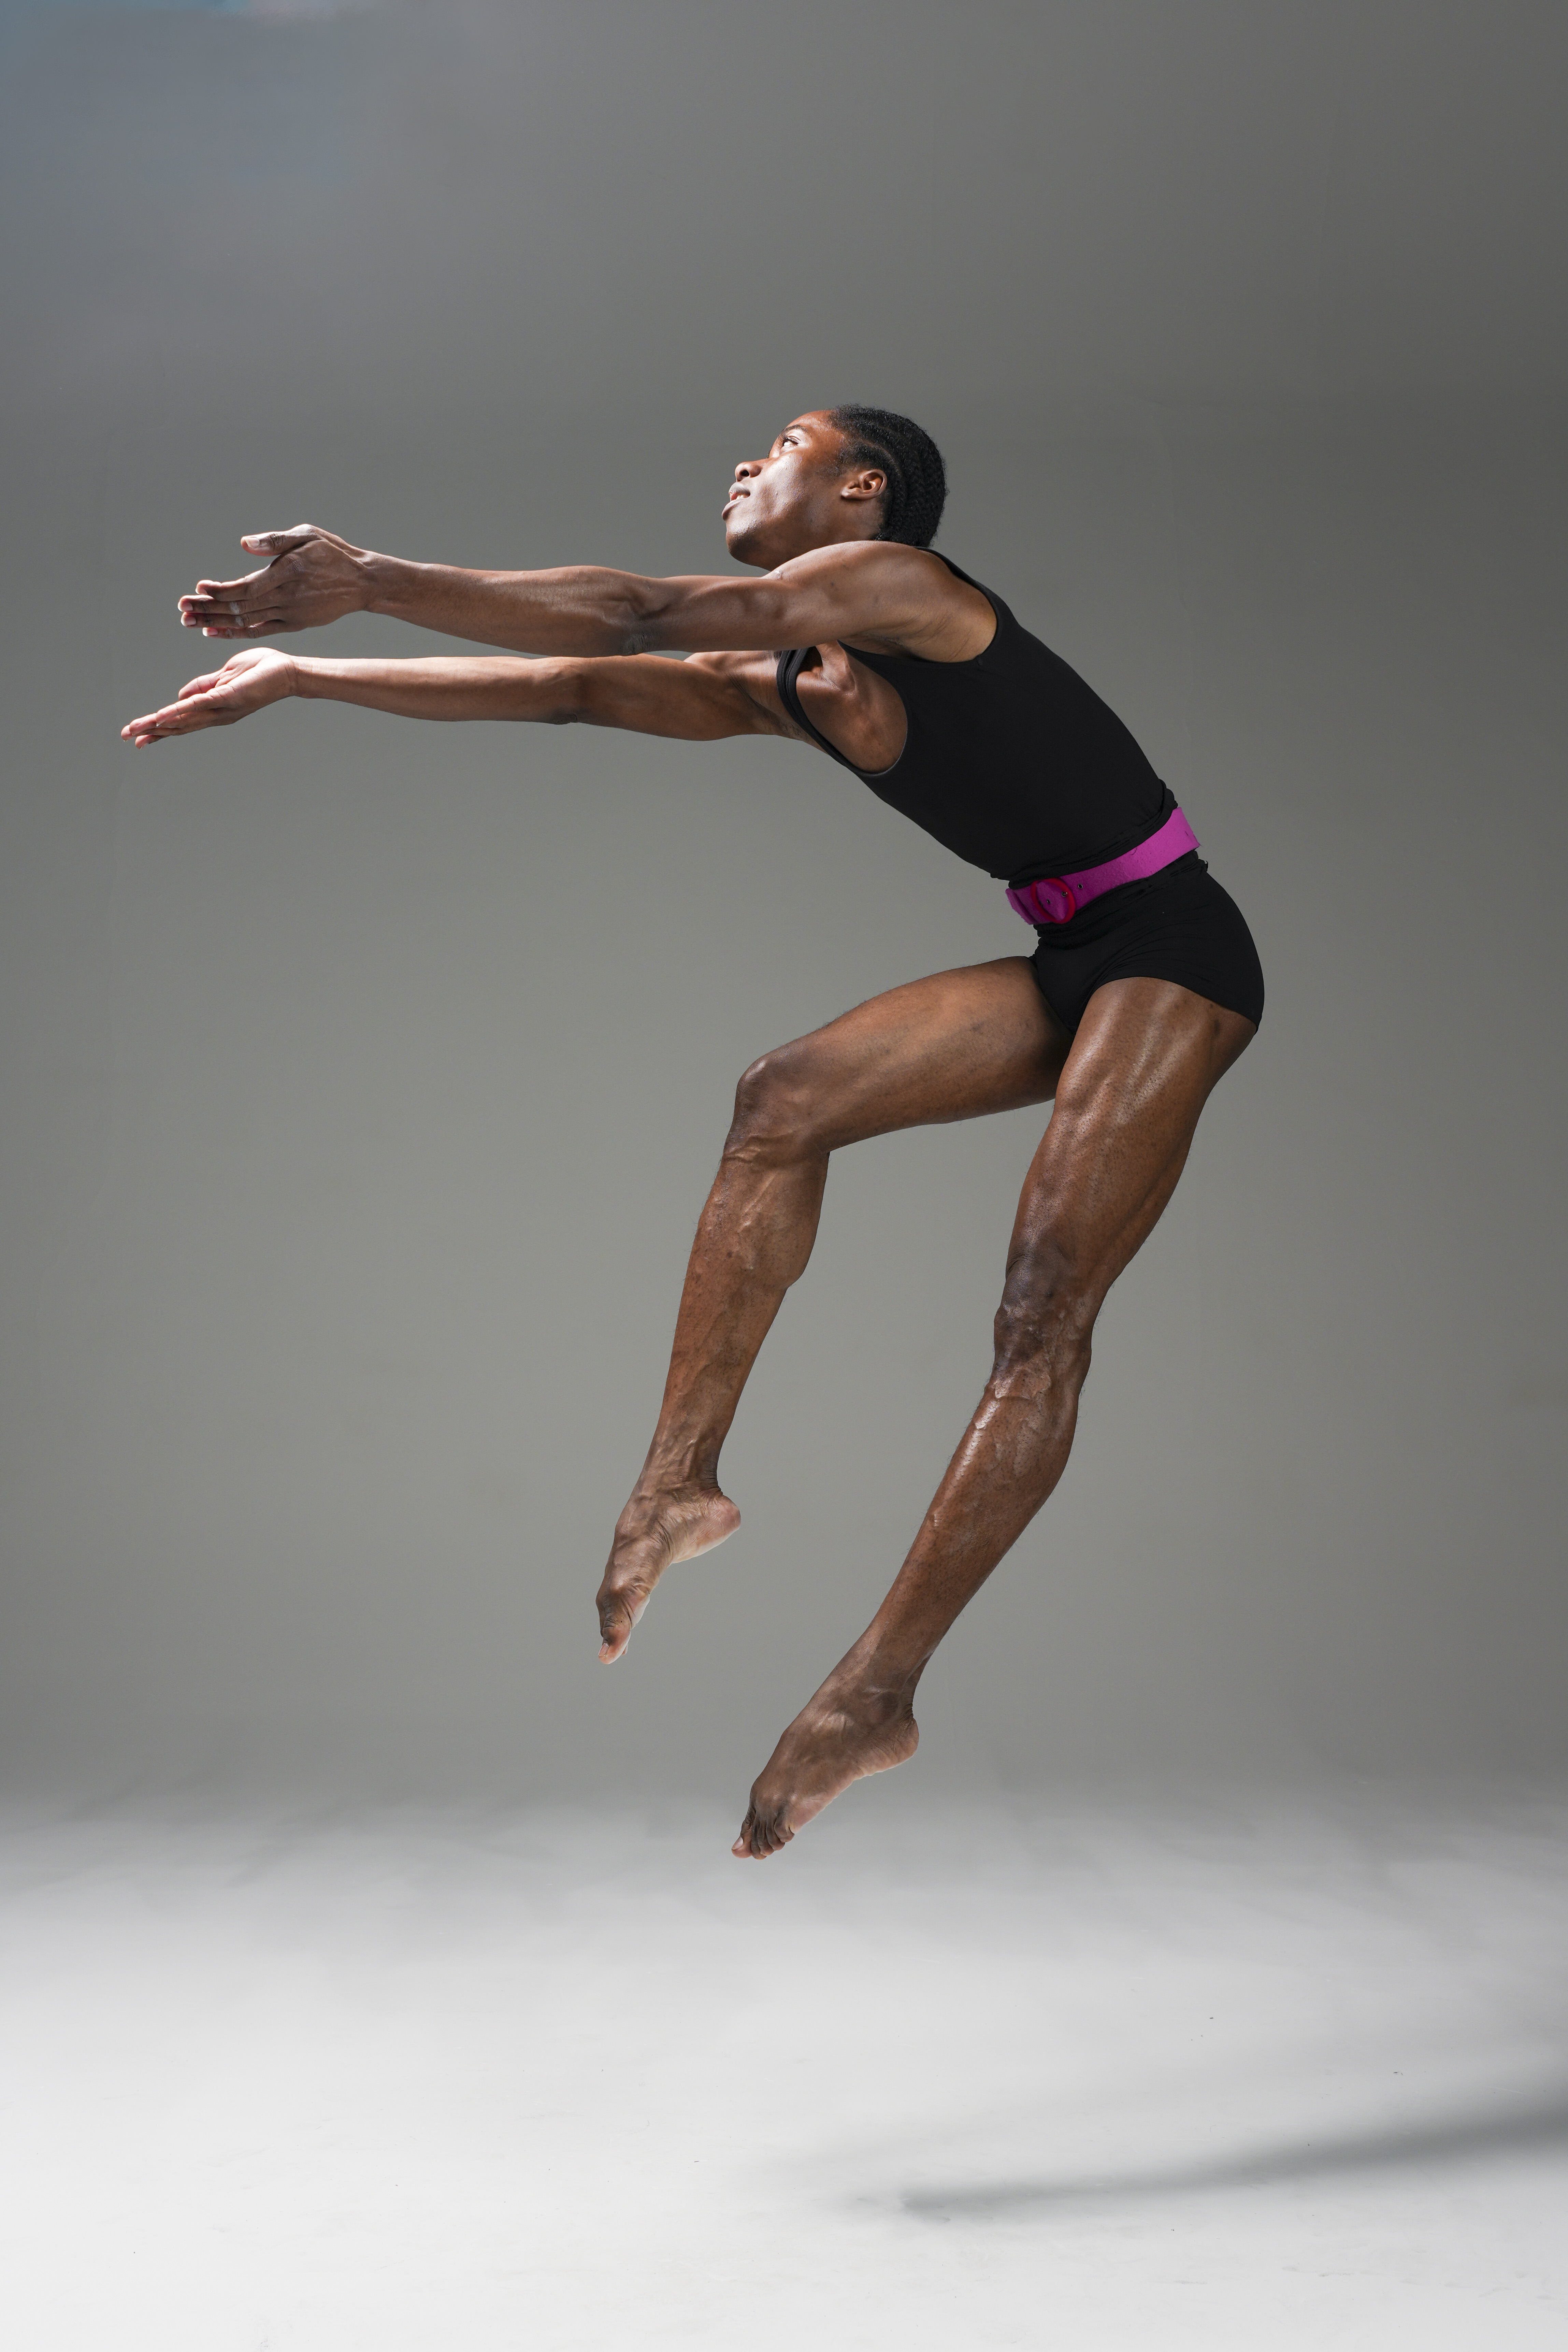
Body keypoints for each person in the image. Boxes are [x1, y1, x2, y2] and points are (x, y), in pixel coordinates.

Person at [123, 406, 1263, 1861]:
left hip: (1178, 949)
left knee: (1042, 1305)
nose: (741, 462)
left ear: (864, 490)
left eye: (779, 441)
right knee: (780, 1099)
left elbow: (636, 604)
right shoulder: (792, 679)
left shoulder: (916, 588)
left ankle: (878, 1691)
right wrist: (302, 675)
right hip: (1070, 953)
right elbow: (572, 685)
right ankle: (677, 1486)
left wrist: (373, 572)